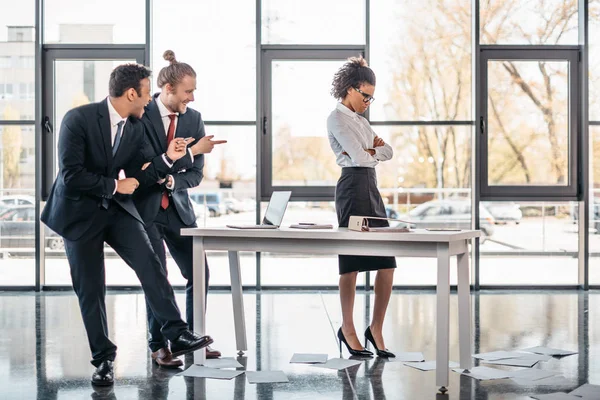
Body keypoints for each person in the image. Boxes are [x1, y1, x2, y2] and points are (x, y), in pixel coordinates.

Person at [40, 63, 213, 386]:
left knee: (151, 264)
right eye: (147, 94)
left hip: (116, 210)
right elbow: (71, 176)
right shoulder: (78, 119)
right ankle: (103, 360)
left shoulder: (134, 128)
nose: (150, 101)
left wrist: (171, 157)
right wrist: (114, 186)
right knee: (91, 289)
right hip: (79, 213)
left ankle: (176, 333)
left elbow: (144, 175)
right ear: (132, 93)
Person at [134, 50, 226, 368]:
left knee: (199, 273)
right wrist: (188, 154)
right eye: (188, 90)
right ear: (168, 89)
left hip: (177, 208)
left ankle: (192, 339)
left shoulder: (193, 118)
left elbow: (196, 174)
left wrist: (173, 181)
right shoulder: (141, 114)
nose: (193, 96)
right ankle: (159, 345)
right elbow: (144, 167)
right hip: (144, 209)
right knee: (156, 276)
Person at [327, 56, 396, 358]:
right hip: (353, 188)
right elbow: (359, 158)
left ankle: (375, 328)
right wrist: (372, 150)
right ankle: (347, 328)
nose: (369, 101)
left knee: (387, 263)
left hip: (372, 187)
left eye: (372, 96)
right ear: (350, 89)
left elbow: (388, 151)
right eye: (365, 95)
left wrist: (373, 151)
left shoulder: (363, 122)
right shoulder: (336, 118)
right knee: (352, 265)